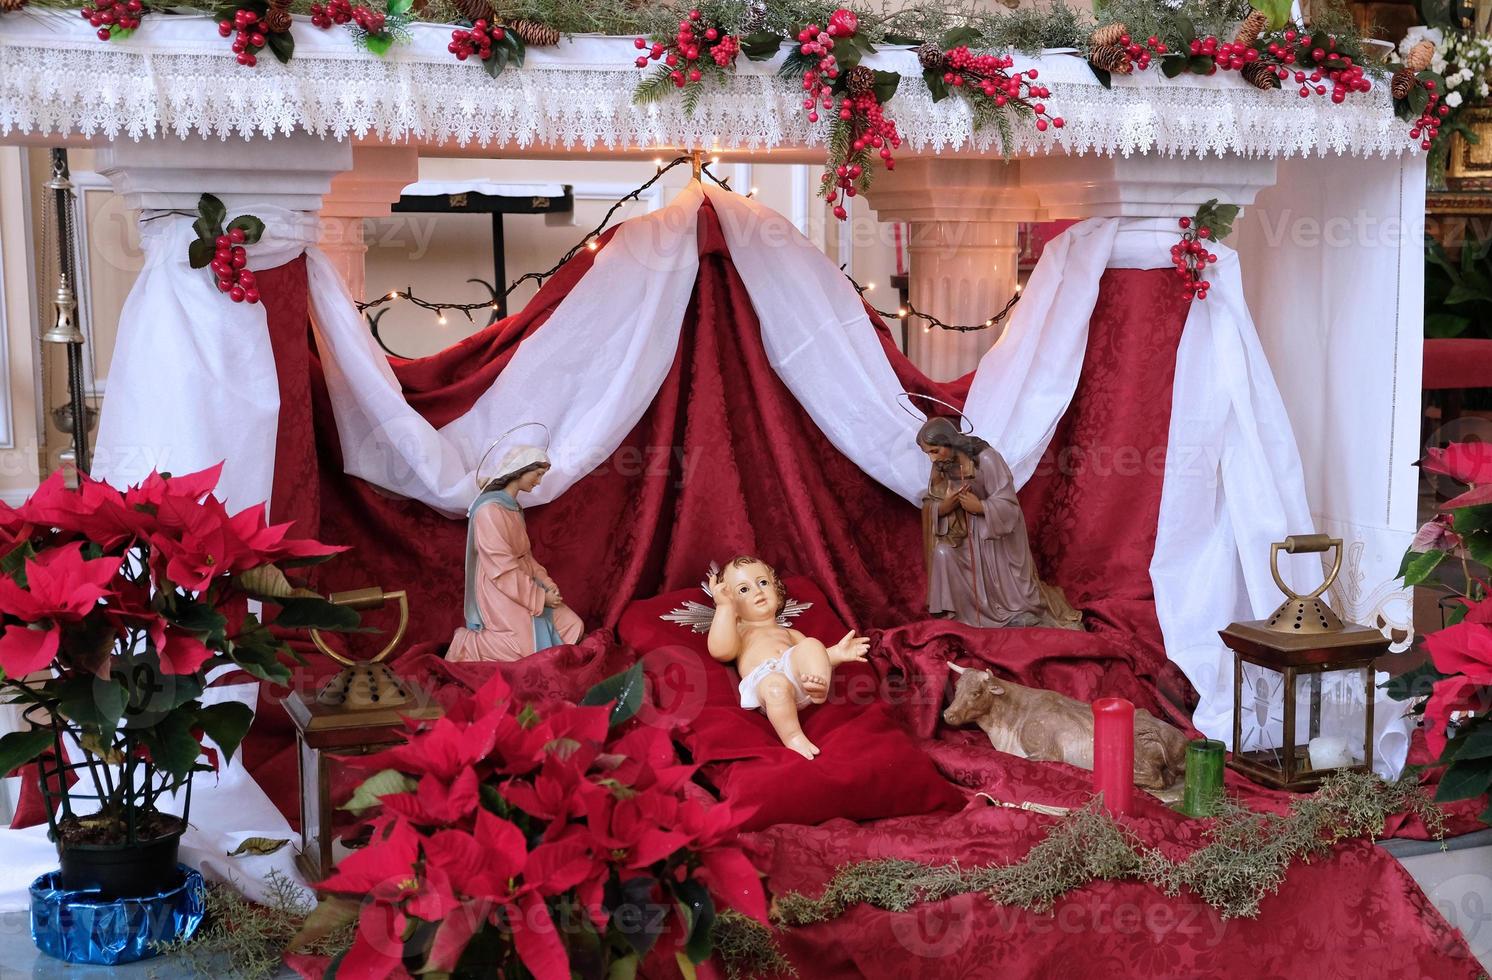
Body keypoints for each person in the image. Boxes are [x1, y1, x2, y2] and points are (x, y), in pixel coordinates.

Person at [917, 416, 1082, 630]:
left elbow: (1009, 506)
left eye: (934, 451)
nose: (932, 459)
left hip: (996, 537)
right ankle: (959, 614)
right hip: (965, 536)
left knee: (1014, 595)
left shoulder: (986, 459)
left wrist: (980, 507)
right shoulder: (942, 465)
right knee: (943, 553)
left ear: (949, 442)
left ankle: (1014, 611)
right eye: (927, 453)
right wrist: (944, 507)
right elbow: (932, 501)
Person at [707, 555, 869, 760]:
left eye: (763, 582)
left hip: (799, 679)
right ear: (732, 602)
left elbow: (809, 656)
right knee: (776, 685)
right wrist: (724, 607)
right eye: (743, 589)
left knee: (811, 644)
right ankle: (793, 737)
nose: (757, 591)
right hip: (766, 682)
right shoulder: (740, 631)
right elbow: (721, 650)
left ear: (776, 588)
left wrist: (837, 653)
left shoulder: (788, 633)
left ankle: (819, 689)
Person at [448, 446, 584, 662]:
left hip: (523, 580)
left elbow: (526, 556)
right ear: (520, 470)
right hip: (499, 586)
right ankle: (467, 644)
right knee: (526, 651)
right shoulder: (489, 511)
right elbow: (502, 570)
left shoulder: (513, 507)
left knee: (573, 626)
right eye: (538, 474)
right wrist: (540, 598)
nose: (539, 482)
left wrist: (546, 583)